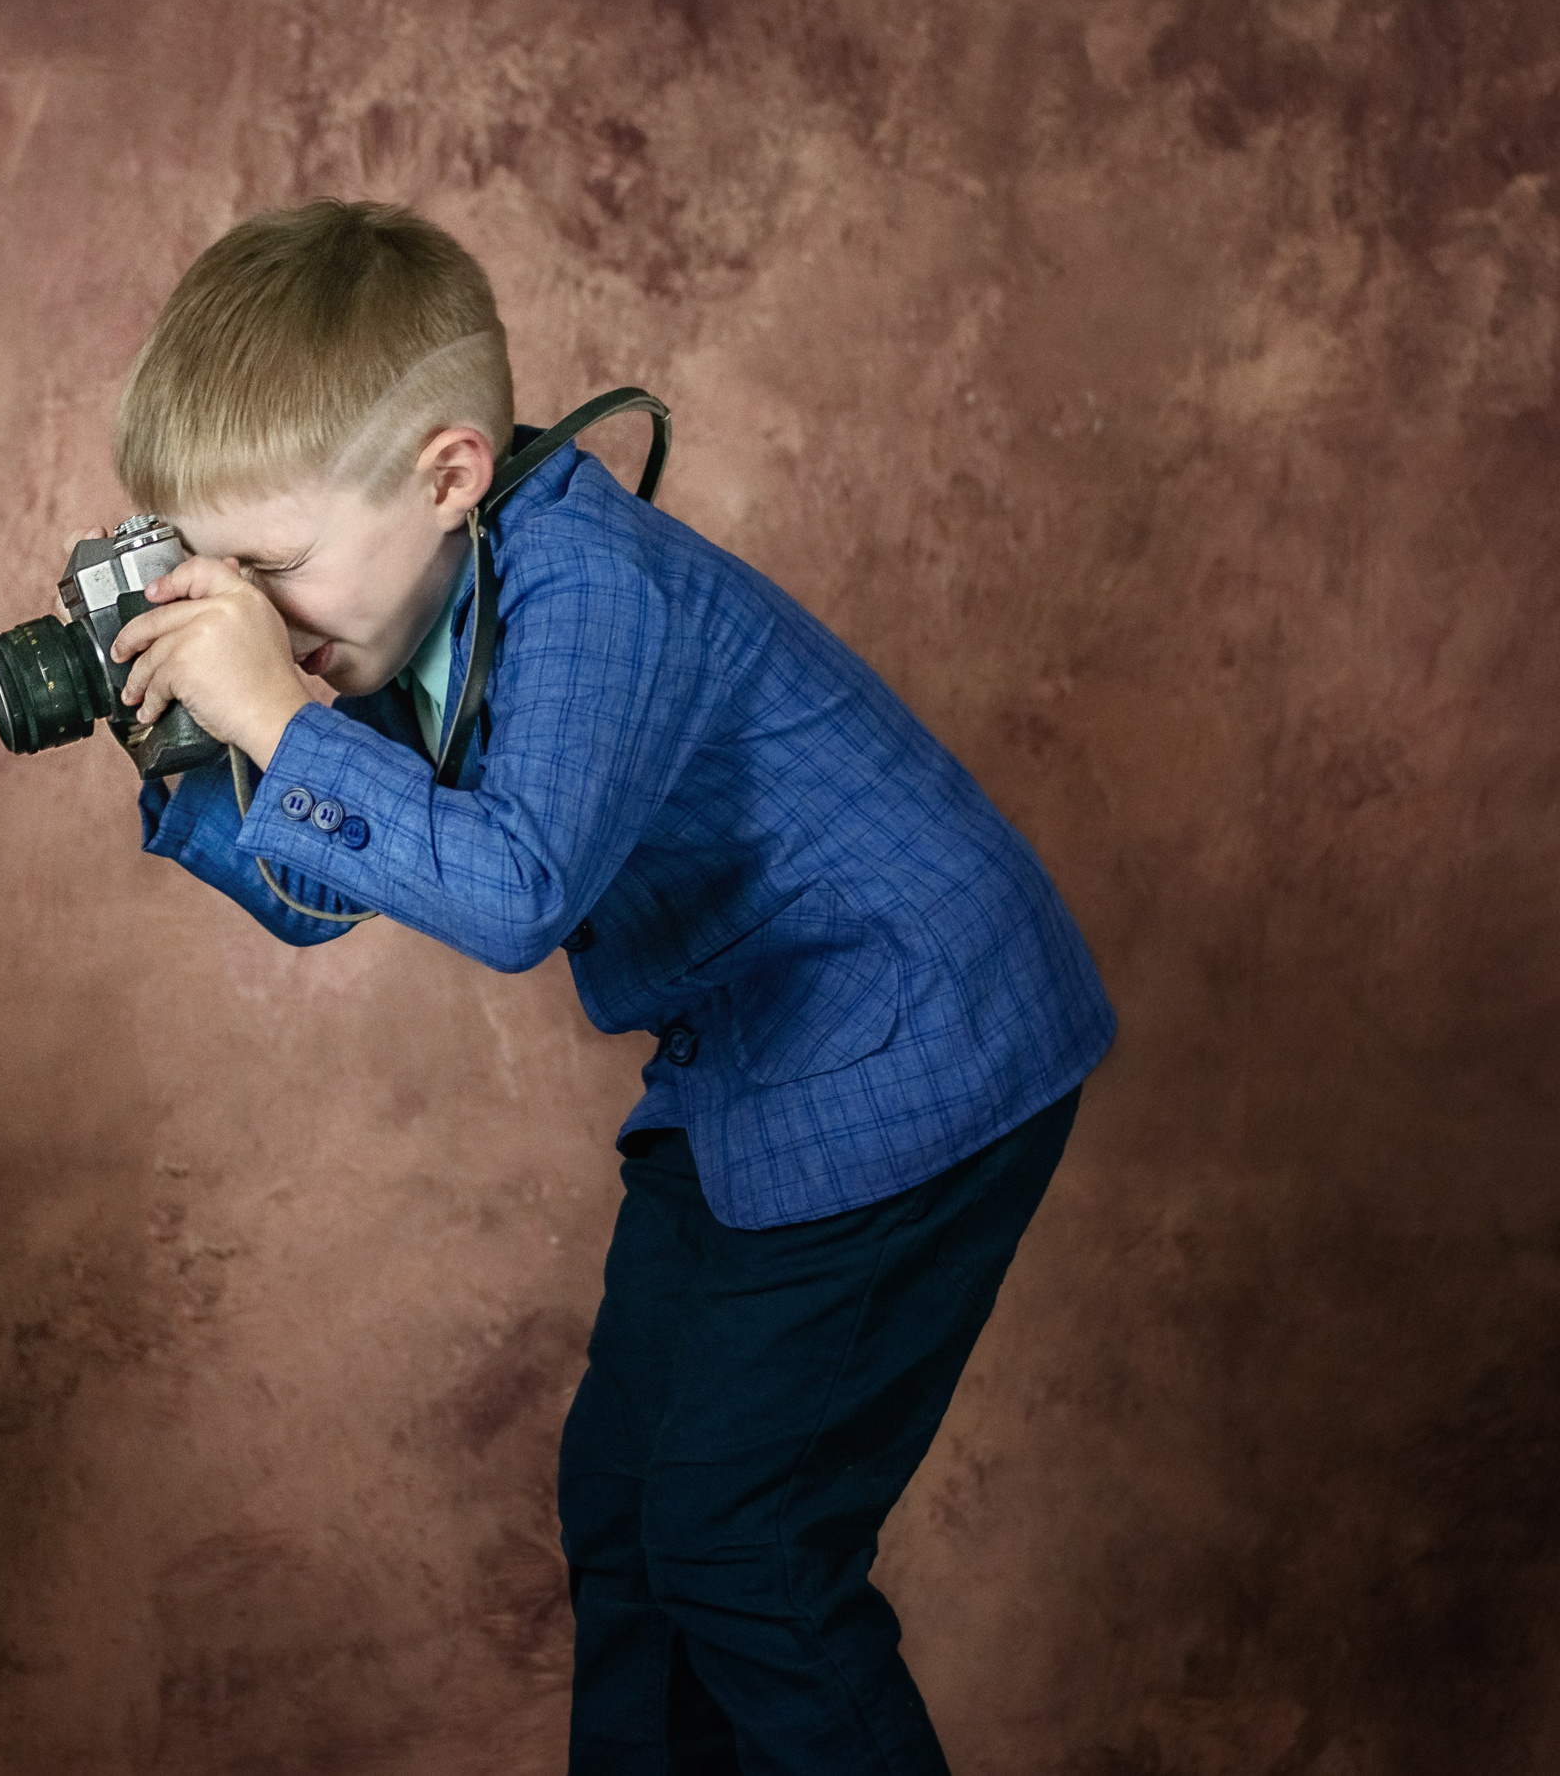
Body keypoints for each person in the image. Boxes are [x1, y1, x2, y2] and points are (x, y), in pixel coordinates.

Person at [98, 197, 1114, 1776]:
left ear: (448, 475)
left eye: (270, 568)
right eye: (208, 574)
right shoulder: (404, 604)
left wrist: (277, 724)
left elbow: (512, 897)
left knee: (745, 1552)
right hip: (748, 1059)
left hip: (911, 1039)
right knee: (629, 1513)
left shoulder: (587, 583)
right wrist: (198, 757)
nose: (244, 616)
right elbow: (337, 894)